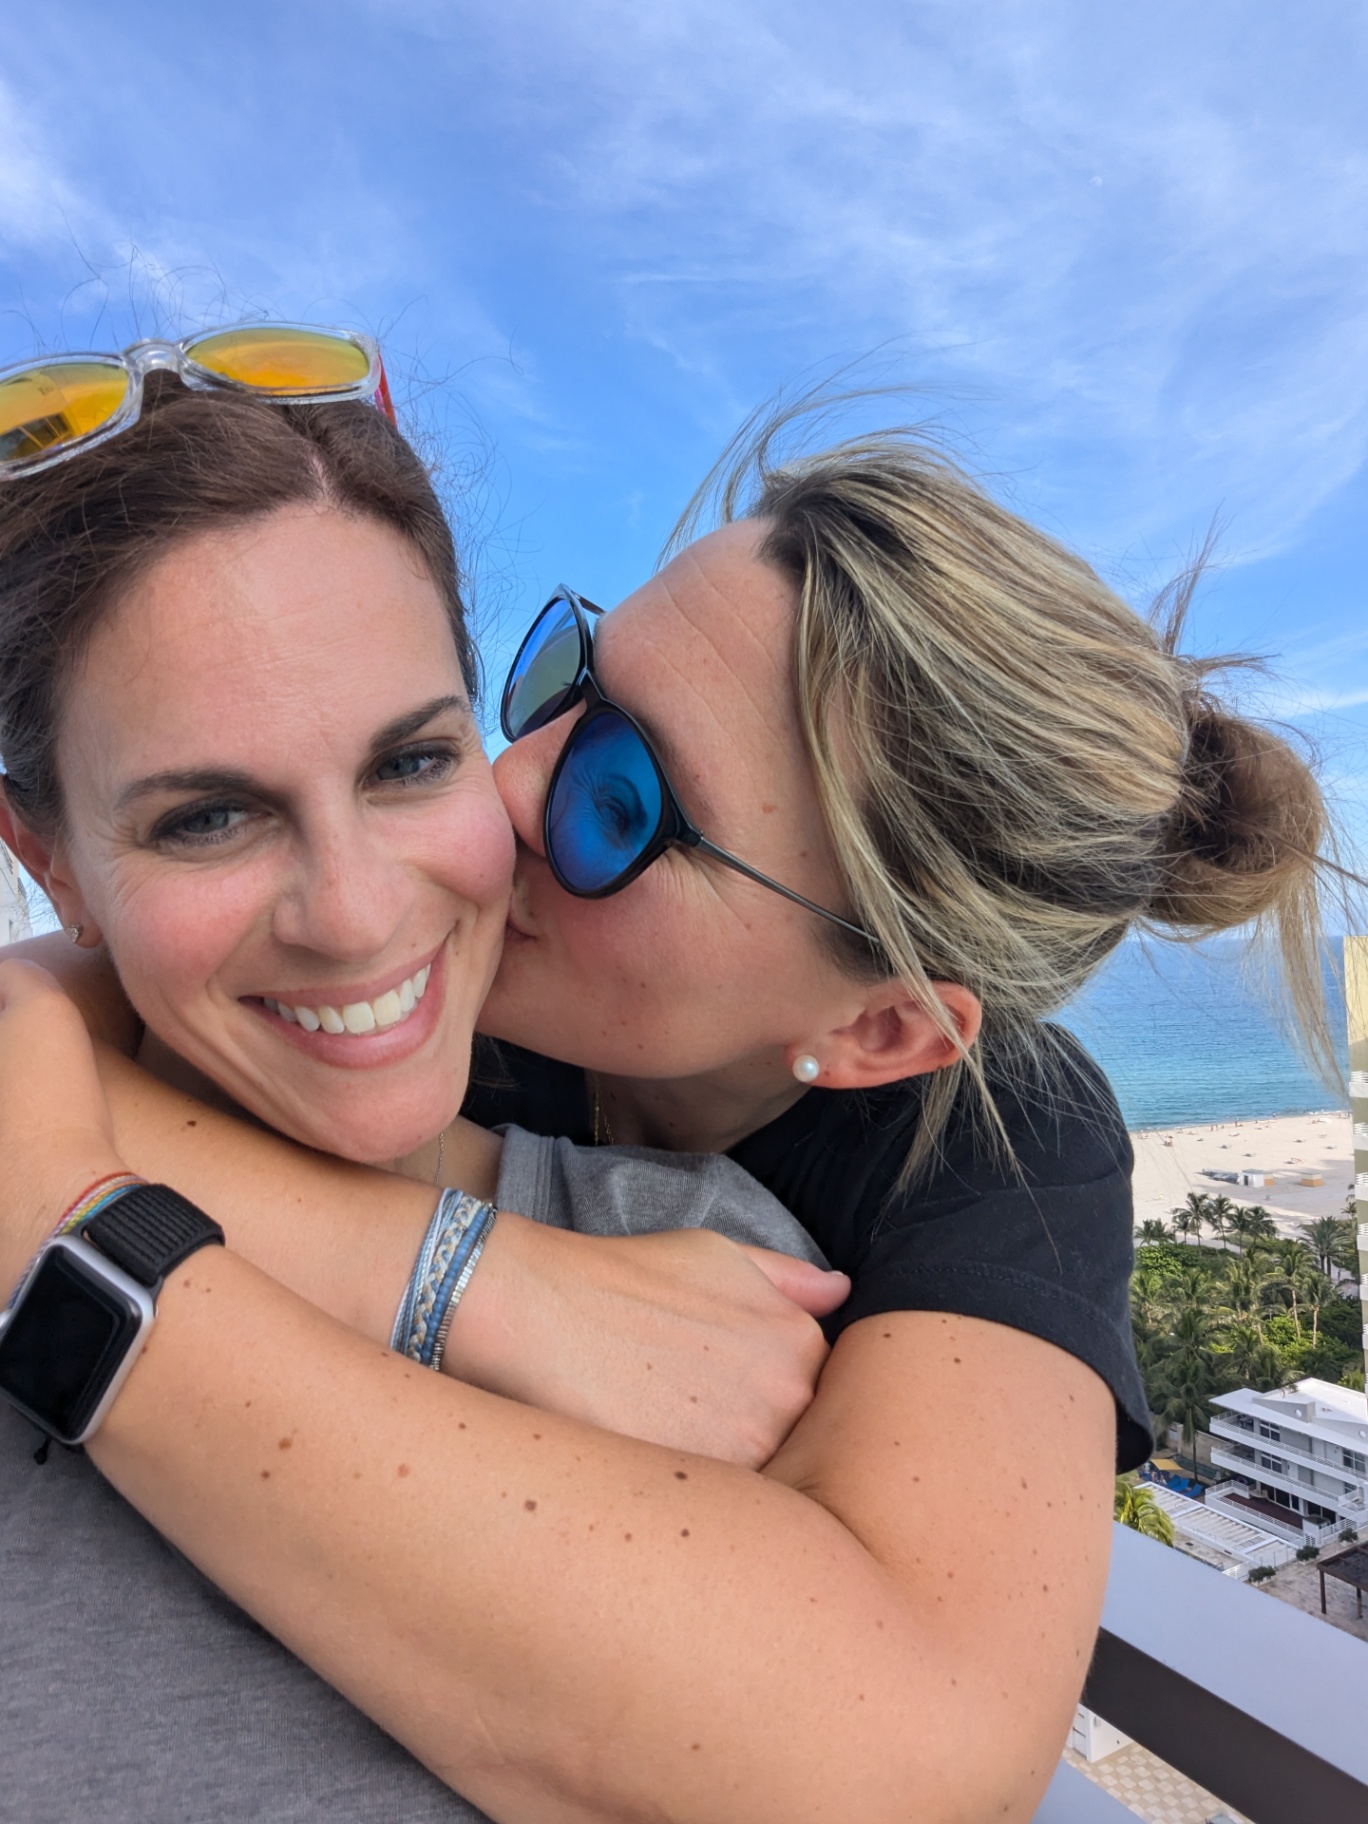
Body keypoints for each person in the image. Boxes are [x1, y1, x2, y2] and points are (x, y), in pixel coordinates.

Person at [0, 348, 1343, 1821]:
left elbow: (912, 1749)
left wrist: (86, 1260)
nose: (505, 792)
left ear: (886, 1030)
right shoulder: (424, 972)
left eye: (619, 804)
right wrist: (465, 1272)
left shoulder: (992, 1139)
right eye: (560, 685)